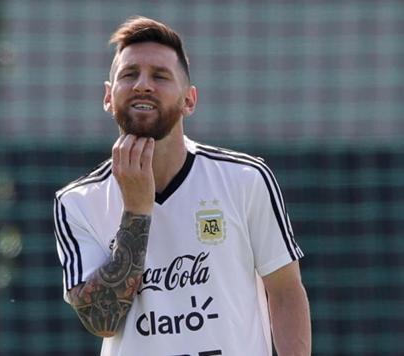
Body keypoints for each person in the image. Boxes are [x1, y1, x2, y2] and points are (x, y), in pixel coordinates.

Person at [53, 16, 311, 356]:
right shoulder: (77, 201)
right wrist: (137, 210)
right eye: (129, 74)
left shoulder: (245, 178)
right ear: (108, 96)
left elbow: (284, 290)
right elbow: (103, 320)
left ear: (189, 100)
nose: (143, 85)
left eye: (160, 76)